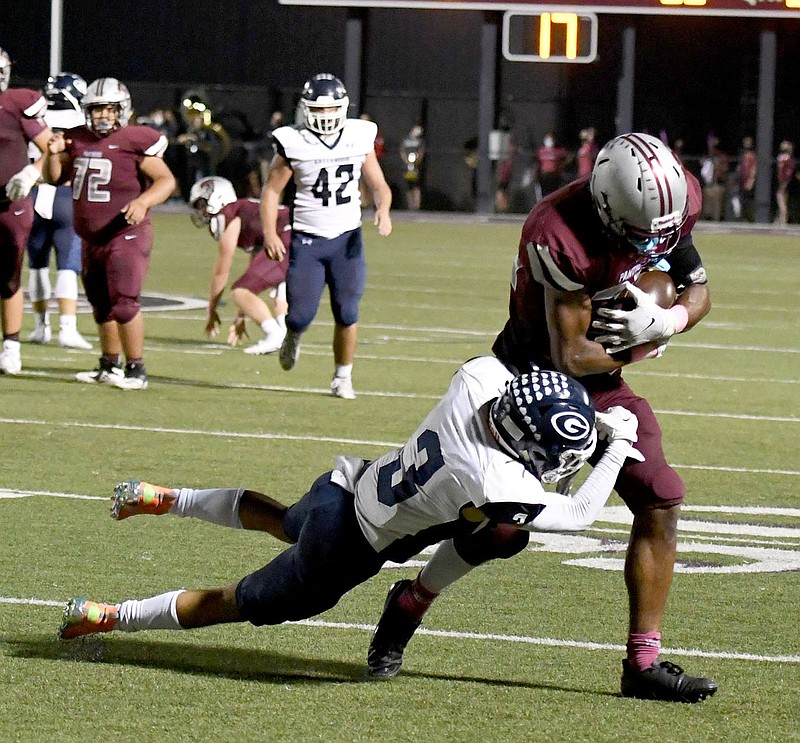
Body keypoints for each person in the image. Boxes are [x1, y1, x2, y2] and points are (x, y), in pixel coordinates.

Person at [368, 133, 719, 704]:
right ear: (606, 206)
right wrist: (640, 345)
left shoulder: (669, 202)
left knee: (661, 496)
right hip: (531, 380)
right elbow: (571, 355)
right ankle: (410, 603)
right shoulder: (558, 232)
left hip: (601, 381)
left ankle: (643, 663)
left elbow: (700, 289)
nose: (651, 244)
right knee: (501, 532)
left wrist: (671, 320)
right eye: (636, 233)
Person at [58, 356, 644, 683]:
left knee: (287, 518)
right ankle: (109, 617)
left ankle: (169, 497)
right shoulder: (491, 480)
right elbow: (579, 513)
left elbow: (519, 390)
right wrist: (614, 447)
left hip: (347, 484)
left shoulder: (480, 380)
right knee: (240, 599)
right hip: (346, 548)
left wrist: (588, 427)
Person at [260, 73, 392, 400]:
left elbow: (379, 185)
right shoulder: (294, 141)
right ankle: (293, 335)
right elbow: (271, 191)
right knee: (300, 315)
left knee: (347, 312)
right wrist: (269, 233)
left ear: (343, 107)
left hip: (347, 239)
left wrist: (383, 209)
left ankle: (342, 377)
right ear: (305, 110)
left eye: (331, 108)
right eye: (317, 110)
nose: (325, 116)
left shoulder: (358, 137)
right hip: (308, 240)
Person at [39, 77, 176, 390]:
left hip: (125, 233)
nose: (103, 116)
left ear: (122, 110)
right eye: (97, 109)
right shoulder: (77, 138)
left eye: (109, 110)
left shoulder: (136, 138)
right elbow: (54, 179)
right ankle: (109, 365)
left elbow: (166, 181)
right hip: (91, 237)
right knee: (101, 304)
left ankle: (136, 369)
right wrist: (50, 153)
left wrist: (143, 201)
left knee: (124, 303)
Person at [25, 72, 93, 350]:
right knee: (67, 266)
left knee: (37, 265)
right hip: (65, 195)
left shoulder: (35, 121)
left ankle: (41, 327)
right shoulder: (78, 124)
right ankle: (67, 327)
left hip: (33, 194)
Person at [189, 175, 290, 355]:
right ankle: (285, 337)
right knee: (278, 288)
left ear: (217, 197)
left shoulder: (229, 214)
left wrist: (212, 308)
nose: (201, 212)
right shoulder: (246, 211)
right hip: (298, 233)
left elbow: (223, 268)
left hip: (287, 235)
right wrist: (243, 313)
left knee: (241, 291)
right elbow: (255, 269)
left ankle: (275, 335)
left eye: (202, 205)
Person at [0, 47, 55, 375]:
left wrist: (33, 171)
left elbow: (53, 146)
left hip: (11, 203)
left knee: (8, 277)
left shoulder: (17, 103)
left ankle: (11, 346)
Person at [358, 113, 385, 210]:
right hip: (359, 162)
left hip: (372, 162)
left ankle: (372, 204)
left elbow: (379, 148)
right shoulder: (356, 135)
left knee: (373, 184)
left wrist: (373, 158)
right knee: (360, 183)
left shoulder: (374, 135)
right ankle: (363, 203)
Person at [535, 131, 569, 198]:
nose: (549, 140)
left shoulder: (558, 151)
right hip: (544, 176)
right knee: (544, 196)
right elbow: (537, 161)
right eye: (548, 137)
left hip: (554, 176)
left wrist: (561, 166)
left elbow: (568, 156)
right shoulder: (541, 150)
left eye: (551, 138)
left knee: (554, 195)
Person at [400, 124, 425, 211]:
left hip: (416, 167)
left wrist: (416, 162)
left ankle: (416, 205)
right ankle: (410, 204)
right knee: (408, 186)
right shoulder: (405, 140)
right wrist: (407, 161)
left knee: (416, 185)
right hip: (406, 166)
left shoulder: (420, 141)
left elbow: (421, 152)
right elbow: (402, 151)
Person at [732, 135, 757, 222]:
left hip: (748, 180)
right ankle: (739, 216)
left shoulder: (752, 155)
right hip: (740, 180)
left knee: (747, 200)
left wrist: (751, 180)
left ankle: (748, 218)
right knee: (736, 197)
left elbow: (754, 168)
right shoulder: (742, 154)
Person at [774, 139, 796, 225]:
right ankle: (781, 218)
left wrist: (783, 181)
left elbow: (782, 170)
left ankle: (782, 218)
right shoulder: (790, 157)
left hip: (784, 181)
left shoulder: (783, 157)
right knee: (784, 199)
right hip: (787, 180)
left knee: (780, 198)